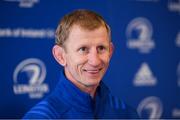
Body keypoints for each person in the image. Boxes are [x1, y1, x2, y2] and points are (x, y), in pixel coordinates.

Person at [23, 9, 139, 119]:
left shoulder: (127, 114)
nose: (95, 61)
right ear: (60, 56)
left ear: (110, 51)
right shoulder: (42, 117)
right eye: (83, 49)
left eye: (101, 48)